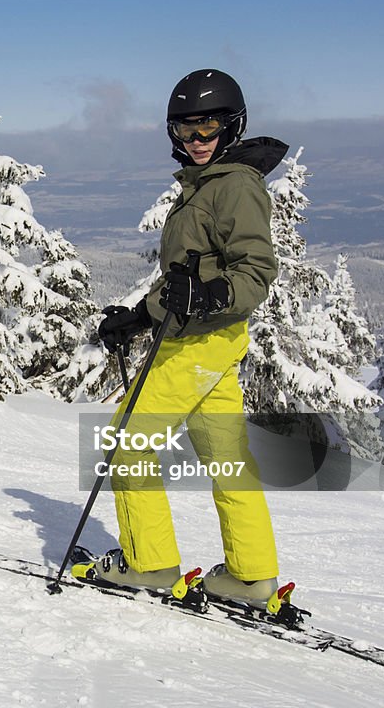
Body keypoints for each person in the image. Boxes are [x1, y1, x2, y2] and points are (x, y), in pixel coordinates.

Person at [94, 68, 289, 607]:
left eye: (208, 130)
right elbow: (188, 275)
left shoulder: (235, 187)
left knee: (127, 445)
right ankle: (250, 576)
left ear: (232, 126)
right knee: (228, 461)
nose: (197, 142)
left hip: (200, 343)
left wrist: (210, 298)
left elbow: (254, 271)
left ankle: (149, 564)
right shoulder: (211, 183)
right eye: (185, 132)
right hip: (211, 341)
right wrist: (139, 316)